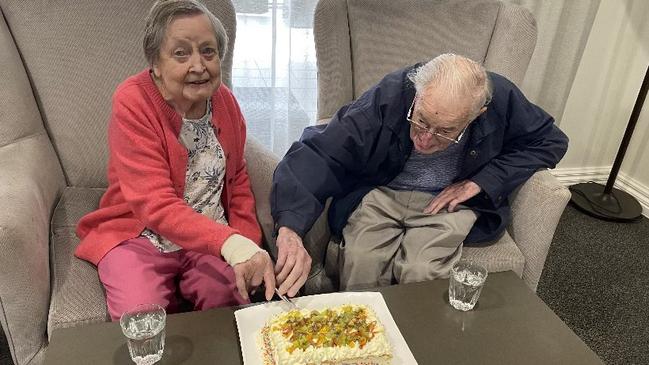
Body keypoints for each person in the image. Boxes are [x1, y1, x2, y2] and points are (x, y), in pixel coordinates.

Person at [270, 53, 568, 292]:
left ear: (478, 114)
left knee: (421, 272)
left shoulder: (500, 98)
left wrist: (482, 181)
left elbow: (550, 141)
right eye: (421, 120)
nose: (425, 138)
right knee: (361, 263)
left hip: (448, 201)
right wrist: (290, 227)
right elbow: (320, 151)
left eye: (446, 130)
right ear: (416, 95)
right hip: (382, 192)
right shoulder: (390, 95)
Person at [75, 0, 275, 321]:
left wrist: (246, 244)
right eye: (181, 53)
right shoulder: (133, 100)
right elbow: (154, 204)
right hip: (141, 234)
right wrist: (232, 245)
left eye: (208, 51)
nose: (199, 65)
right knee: (142, 317)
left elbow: (237, 182)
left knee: (230, 306)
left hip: (210, 237)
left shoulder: (225, 102)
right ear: (155, 62)